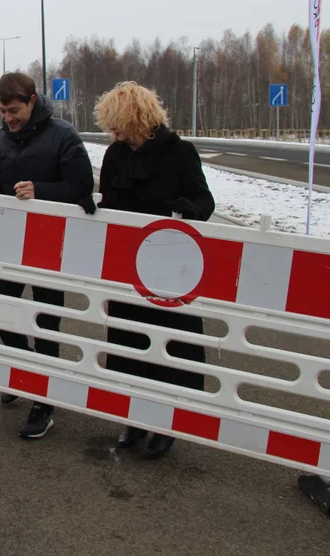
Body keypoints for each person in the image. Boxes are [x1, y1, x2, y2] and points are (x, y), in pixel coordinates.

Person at [0, 71, 93, 439]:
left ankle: (43, 402)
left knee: (47, 324)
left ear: (32, 101)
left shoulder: (64, 135)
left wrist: (40, 191)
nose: (8, 118)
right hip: (9, 248)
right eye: (1, 111)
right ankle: (25, 366)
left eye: (13, 110)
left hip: (52, 250)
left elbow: (82, 188)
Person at [84, 80, 215, 458]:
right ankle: (135, 418)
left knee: (170, 345)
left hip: (172, 268)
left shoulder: (181, 153)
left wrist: (191, 208)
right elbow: (107, 201)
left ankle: (167, 423)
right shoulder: (114, 156)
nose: (113, 131)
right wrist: (93, 205)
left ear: (137, 117)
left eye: (118, 123)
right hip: (129, 268)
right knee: (129, 343)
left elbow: (205, 199)